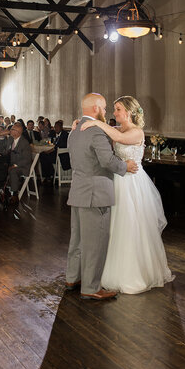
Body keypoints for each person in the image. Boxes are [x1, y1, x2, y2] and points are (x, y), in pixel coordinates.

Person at [80, 95, 174, 295]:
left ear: (129, 112)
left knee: (130, 226)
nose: (115, 113)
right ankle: (109, 271)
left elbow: (119, 139)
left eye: (118, 109)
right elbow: (110, 131)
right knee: (114, 227)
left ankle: (133, 274)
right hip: (117, 181)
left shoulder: (136, 133)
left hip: (132, 184)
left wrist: (95, 121)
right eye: (113, 109)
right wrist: (84, 122)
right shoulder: (118, 128)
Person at [66, 93, 138, 301]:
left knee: (77, 239)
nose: (106, 112)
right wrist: (125, 166)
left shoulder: (74, 131)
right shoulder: (96, 131)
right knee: (95, 242)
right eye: (105, 108)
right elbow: (107, 160)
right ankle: (90, 287)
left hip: (78, 191)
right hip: (95, 193)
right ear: (96, 108)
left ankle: (72, 278)